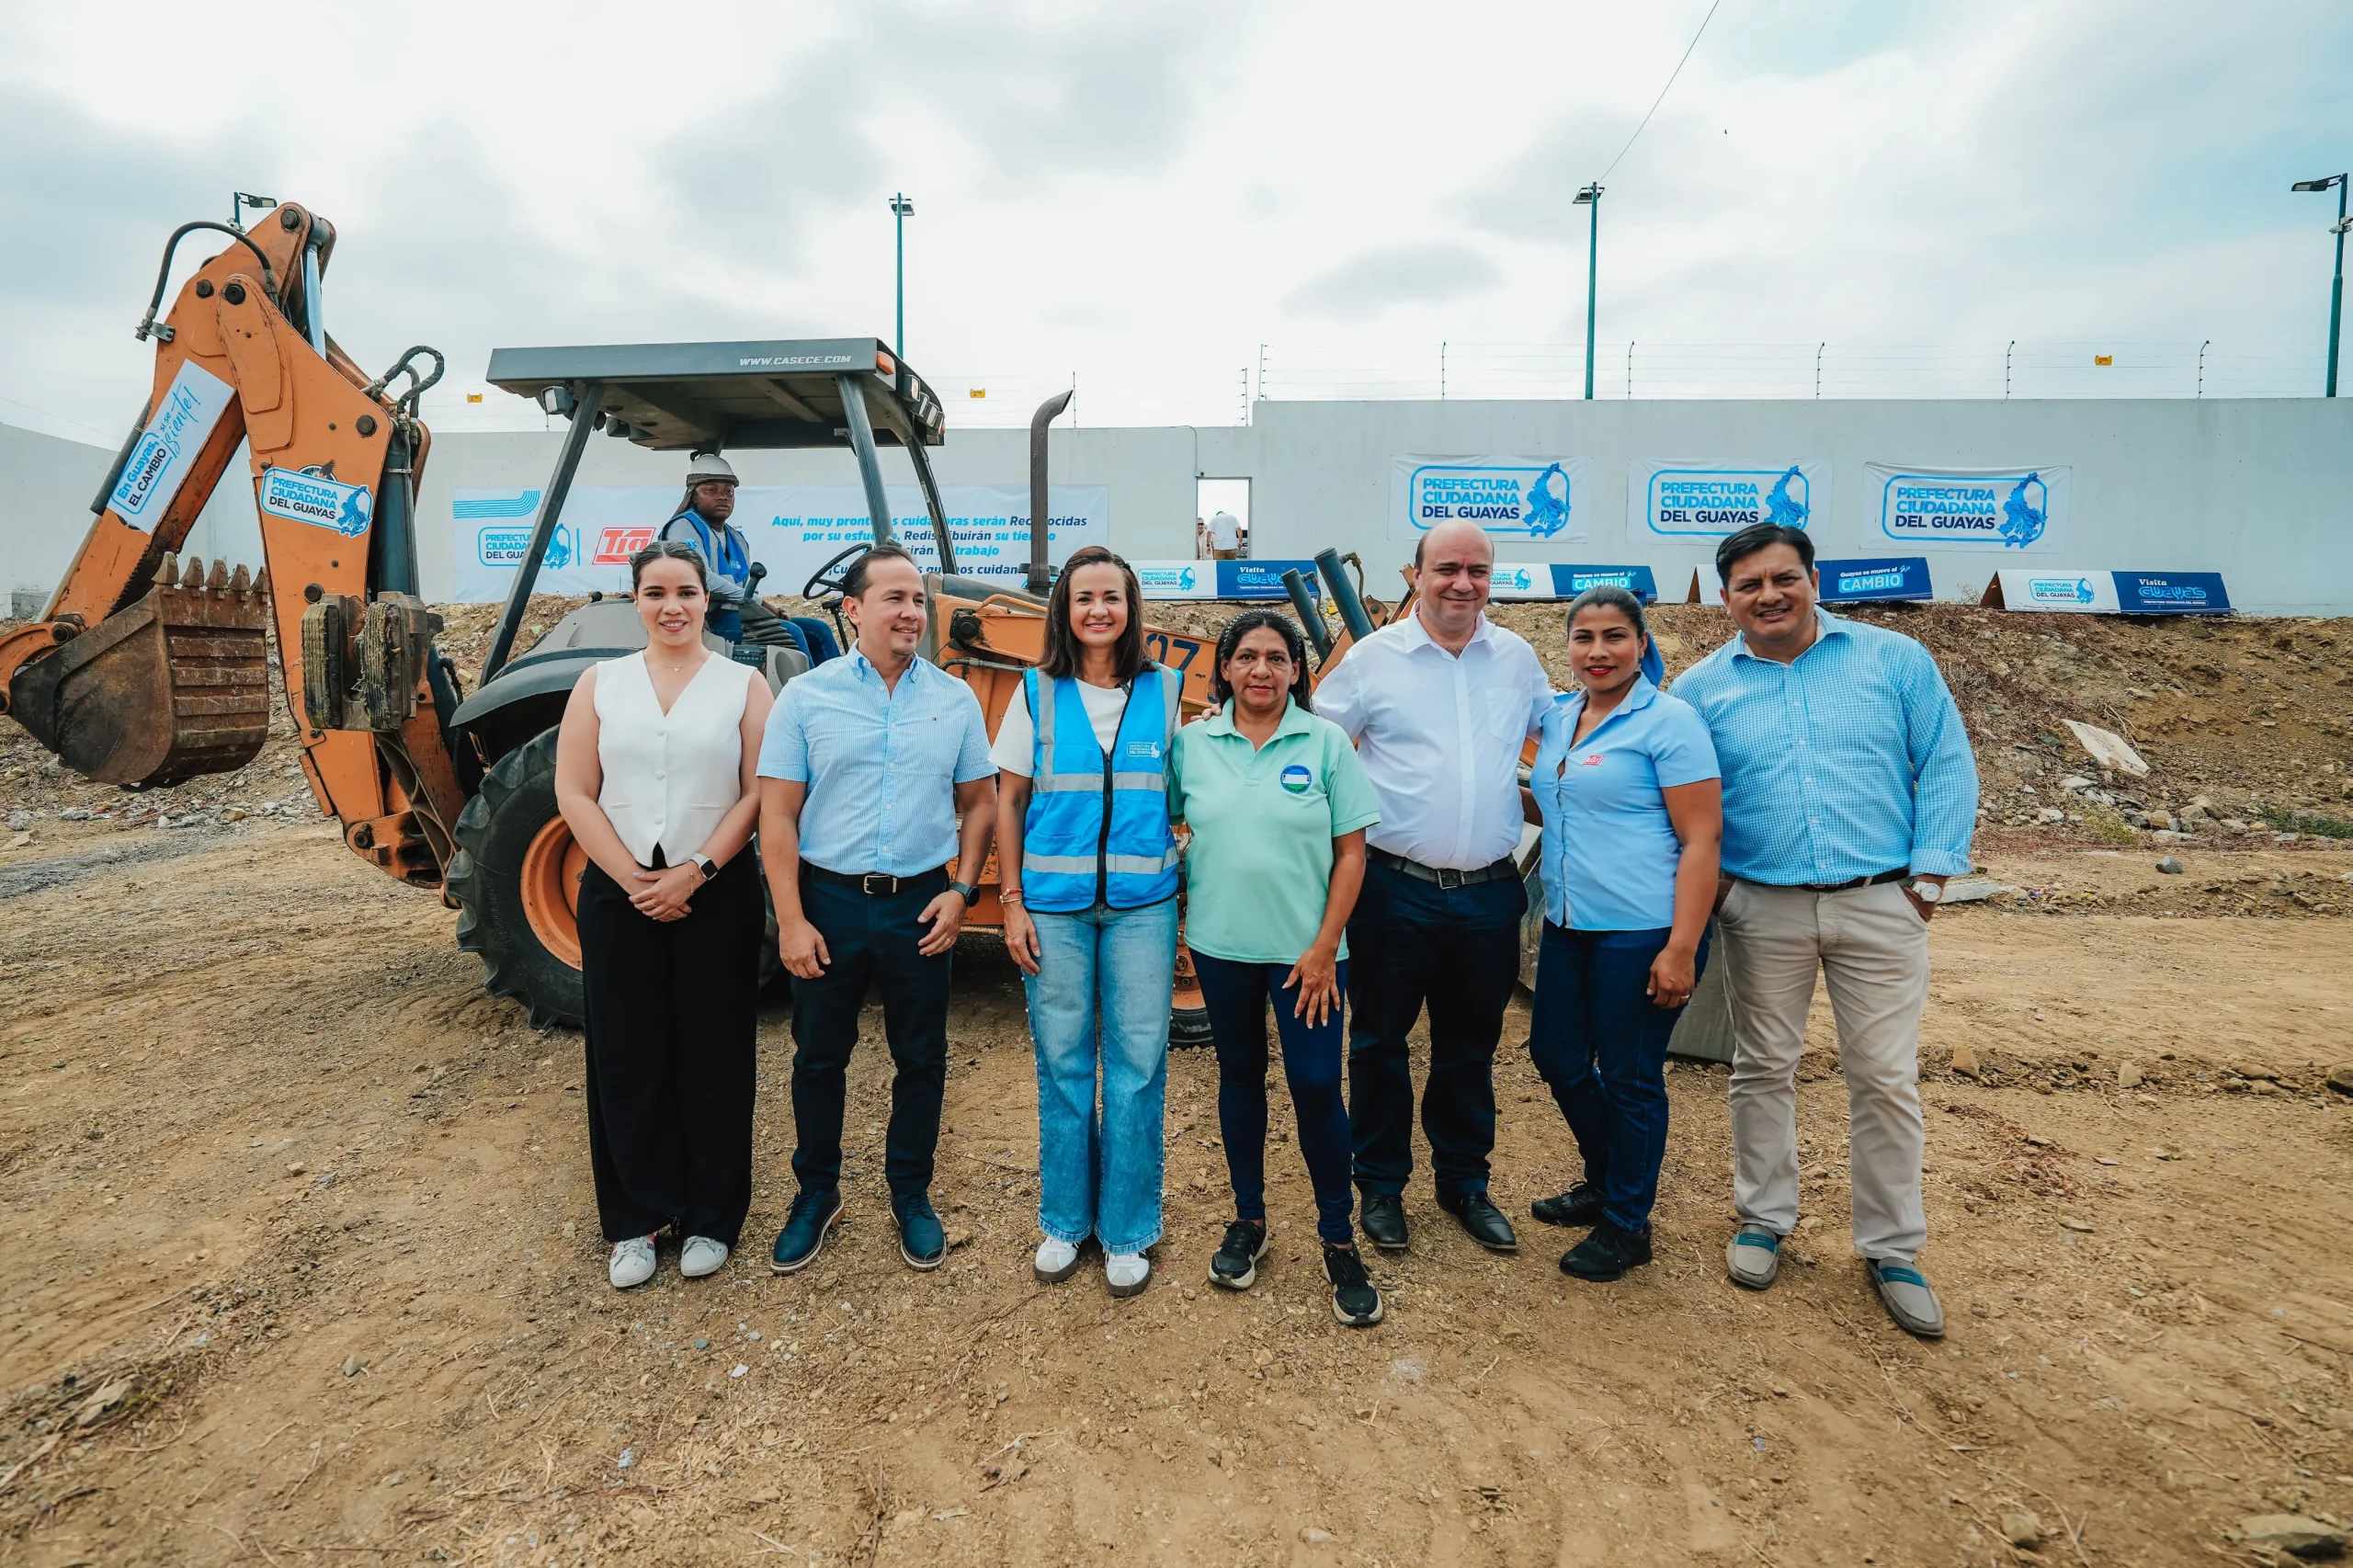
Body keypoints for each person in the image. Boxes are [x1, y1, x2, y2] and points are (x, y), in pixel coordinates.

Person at [1670, 522, 1978, 1339]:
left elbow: (1946, 760)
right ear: (1727, 597)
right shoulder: (1701, 690)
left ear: (1812, 580)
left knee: (1883, 1075)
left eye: (1783, 579)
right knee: (1763, 1064)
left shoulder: (1893, 661)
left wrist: (1930, 878)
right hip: (1763, 907)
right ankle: (1764, 1219)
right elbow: (1683, 799)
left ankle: (1892, 1247)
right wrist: (1723, 892)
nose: (1768, 596)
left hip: (1882, 902)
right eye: (1749, 586)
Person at [1313, 519, 1554, 1256]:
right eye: (1446, 568)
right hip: (1393, 890)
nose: (1462, 583)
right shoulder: (1371, 660)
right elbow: (1320, 750)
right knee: (1380, 1044)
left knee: (1469, 1048)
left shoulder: (1516, 659)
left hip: (1487, 893)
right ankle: (1381, 1187)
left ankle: (1465, 1182)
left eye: (1477, 571)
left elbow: (1568, 736)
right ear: (1415, 573)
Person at [756, 541, 997, 1276]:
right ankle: (816, 1195)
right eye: (894, 598)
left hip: (920, 905)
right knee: (819, 1057)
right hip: (828, 903)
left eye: (918, 600)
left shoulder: (953, 699)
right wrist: (792, 920)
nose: (912, 612)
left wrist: (960, 891)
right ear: (853, 609)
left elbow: (979, 802)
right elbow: (777, 818)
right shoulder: (807, 697)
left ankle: (911, 1194)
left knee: (921, 1057)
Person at [552, 541, 774, 1290]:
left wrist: (696, 872)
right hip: (621, 893)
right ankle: (635, 1222)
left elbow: (756, 792)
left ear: (708, 599)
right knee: (624, 1053)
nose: (671, 606)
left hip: (715, 890)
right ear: (635, 601)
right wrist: (632, 878)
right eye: (655, 592)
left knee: (714, 1052)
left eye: (685, 591)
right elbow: (576, 790)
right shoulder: (599, 683)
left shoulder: (745, 685)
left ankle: (714, 1214)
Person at [1171, 610, 1386, 1327]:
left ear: (1298, 671)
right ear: (1225, 669)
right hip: (1221, 947)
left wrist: (1326, 945)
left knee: (1318, 1085)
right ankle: (1250, 1221)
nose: (1261, 670)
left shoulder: (1325, 743)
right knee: (1240, 1078)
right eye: (1247, 658)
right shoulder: (1192, 745)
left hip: (1309, 957)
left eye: (1277, 658)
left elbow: (1352, 852)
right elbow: (1168, 822)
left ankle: (1337, 1236)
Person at [990, 546, 1181, 1298]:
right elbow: (1007, 800)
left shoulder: (1166, 691)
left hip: (1142, 909)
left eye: (1112, 597)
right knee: (1063, 1063)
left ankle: (1128, 1230)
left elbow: (1185, 788)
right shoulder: (1034, 693)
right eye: (1083, 598)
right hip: (1054, 911)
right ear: (1064, 611)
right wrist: (1009, 903)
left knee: (1137, 1067)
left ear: (1132, 607)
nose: (1099, 610)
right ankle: (1066, 1221)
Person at [1523, 586, 1722, 1282]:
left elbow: (1703, 840)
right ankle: (1608, 1182)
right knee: (1555, 1056)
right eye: (1584, 638)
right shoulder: (1558, 717)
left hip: (1643, 930)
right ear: (1568, 647)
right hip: (1570, 922)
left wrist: (1680, 947)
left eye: (1614, 637)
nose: (1598, 652)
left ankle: (1627, 1223)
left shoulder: (1670, 723)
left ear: (1642, 644)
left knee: (1632, 1078)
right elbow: (1560, 803)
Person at [658, 452, 820, 655]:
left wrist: (760, 608)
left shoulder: (736, 538)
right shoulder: (683, 527)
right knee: (791, 633)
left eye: (729, 491)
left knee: (817, 629)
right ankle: (804, 687)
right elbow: (700, 577)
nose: (722, 496)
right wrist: (760, 605)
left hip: (736, 614)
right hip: (702, 620)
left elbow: (745, 588)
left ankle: (838, 686)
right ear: (694, 496)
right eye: (711, 490)